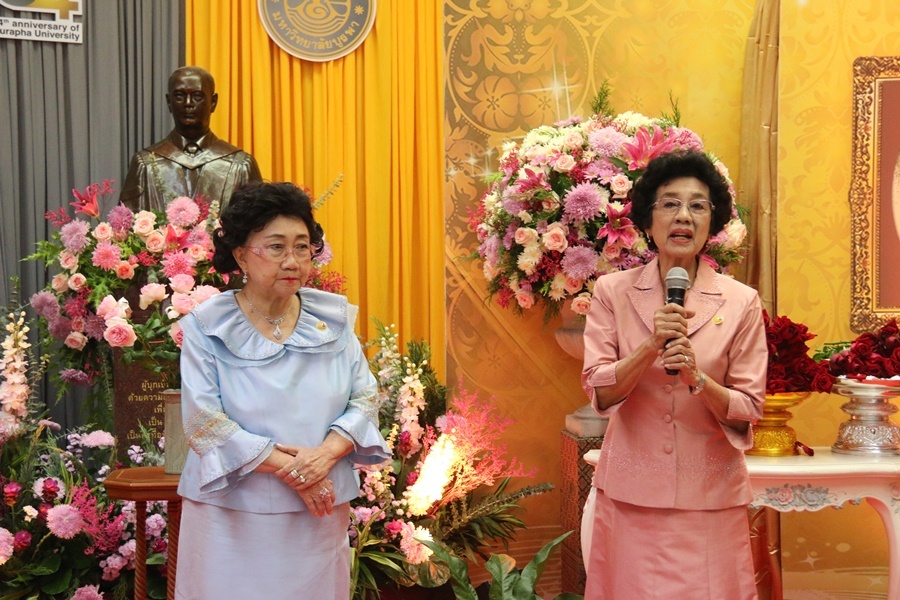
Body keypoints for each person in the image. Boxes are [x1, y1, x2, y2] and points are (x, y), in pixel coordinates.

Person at [175, 182, 390, 599]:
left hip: (319, 508)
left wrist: (322, 457)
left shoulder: (333, 318)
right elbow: (205, 422)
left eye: (302, 247)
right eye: (276, 247)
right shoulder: (207, 325)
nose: (292, 261)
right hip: (231, 512)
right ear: (241, 255)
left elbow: (365, 399)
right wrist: (299, 473)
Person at [581, 150, 766, 599]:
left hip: (710, 500)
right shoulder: (612, 291)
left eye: (698, 205)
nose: (684, 215)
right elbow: (599, 391)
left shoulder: (741, 301)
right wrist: (650, 346)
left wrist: (698, 379)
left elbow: (748, 408)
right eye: (670, 204)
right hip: (631, 499)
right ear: (648, 221)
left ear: (711, 223)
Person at [120, 66, 262, 211]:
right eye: (179, 96)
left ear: (213, 102)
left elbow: (259, 221)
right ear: (169, 102)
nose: (188, 103)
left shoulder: (241, 166)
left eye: (197, 96)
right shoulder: (145, 164)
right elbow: (127, 222)